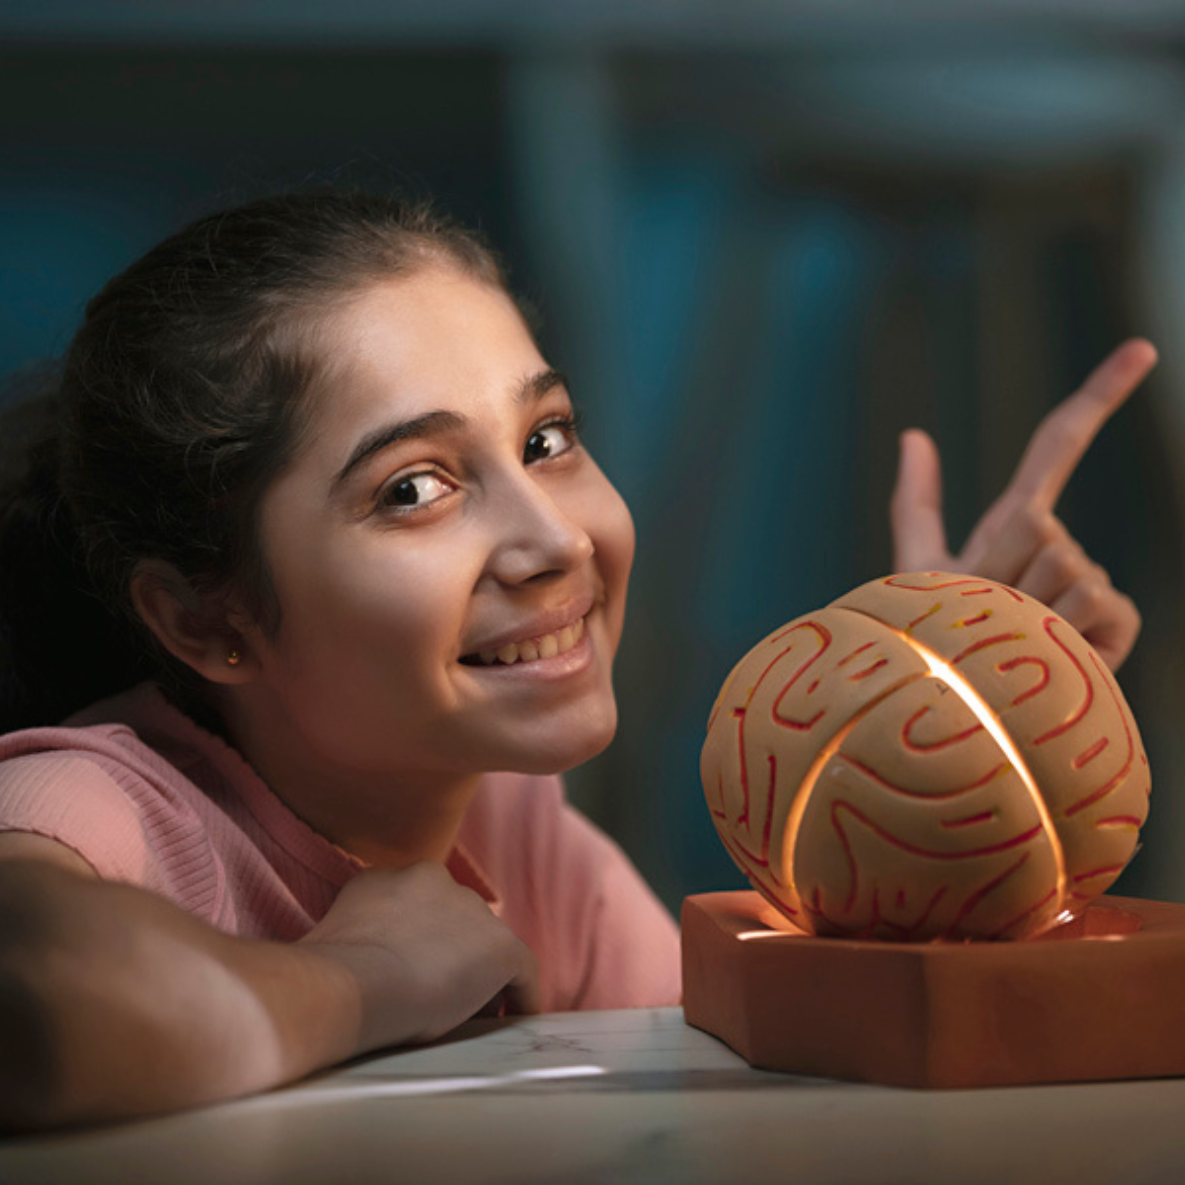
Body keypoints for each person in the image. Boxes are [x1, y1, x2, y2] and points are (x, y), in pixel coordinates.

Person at [0, 189, 1154, 1131]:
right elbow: (36, 1001)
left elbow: (769, 1128)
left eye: (546, 441)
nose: (556, 539)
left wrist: (961, 770)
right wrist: (374, 976)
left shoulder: (523, 836)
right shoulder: (94, 801)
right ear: (207, 623)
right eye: (413, 489)